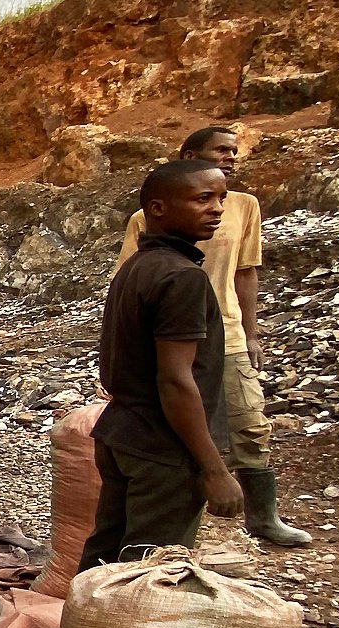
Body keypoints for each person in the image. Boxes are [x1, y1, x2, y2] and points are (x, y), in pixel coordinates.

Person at [114, 126, 311, 546]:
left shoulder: (244, 208)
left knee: (248, 424)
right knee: (178, 423)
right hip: (178, 333)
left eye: (233, 153)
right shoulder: (169, 262)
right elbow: (132, 290)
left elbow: (246, 272)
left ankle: (261, 515)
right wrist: (212, 470)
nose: (216, 207)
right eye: (220, 151)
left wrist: (252, 332)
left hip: (227, 332)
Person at [80, 159, 246, 571]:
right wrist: (213, 468)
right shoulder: (181, 278)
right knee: (147, 571)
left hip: (123, 434)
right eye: (202, 198)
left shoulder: (138, 267)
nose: (218, 209)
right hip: (163, 448)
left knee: (104, 559)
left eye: (221, 198)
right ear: (158, 209)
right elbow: (175, 380)